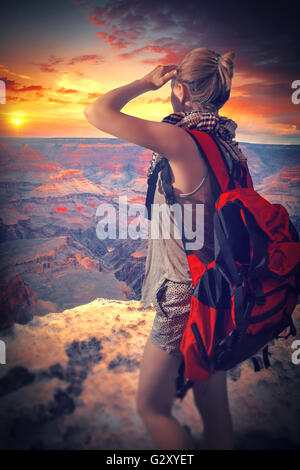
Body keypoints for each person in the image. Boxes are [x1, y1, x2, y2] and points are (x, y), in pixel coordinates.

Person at [83, 47, 245, 450]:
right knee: (213, 406)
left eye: (174, 87)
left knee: (152, 408)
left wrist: (143, 82)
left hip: (182, 297)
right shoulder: (227, 145)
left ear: (182, 90)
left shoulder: (182, 140)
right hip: (218, 292)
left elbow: (97, 112)